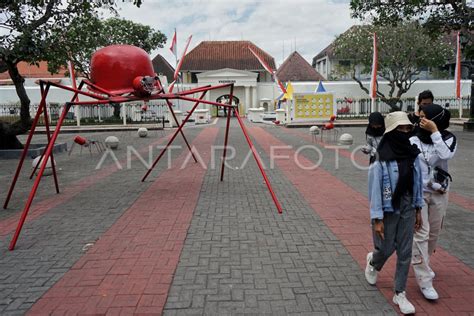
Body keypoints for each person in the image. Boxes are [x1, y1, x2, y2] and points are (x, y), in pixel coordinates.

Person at [365, 111, 423, 315]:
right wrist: (377, 218)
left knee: (405, 251)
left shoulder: (412, 155)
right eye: (401, 128)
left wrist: (418, 208)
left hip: (407, 205)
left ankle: (400, 292)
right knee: (386, 248)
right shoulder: (380, 160)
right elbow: (374, 191)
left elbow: (417, 184)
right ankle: (374, 261)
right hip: (388, 208)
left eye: (408, 128)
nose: (405, 132)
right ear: (391, 131)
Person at [410, 104, 457, 300]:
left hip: (440, 192)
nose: (421, 121)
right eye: (419, 117)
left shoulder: (448, 139)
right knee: (421, 234)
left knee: (433, 235)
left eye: (425, 118)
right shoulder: (412, 137)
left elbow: (446, 155)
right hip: (419, 193)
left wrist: (435, 132)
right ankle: (424, 280)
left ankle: (424, 265)